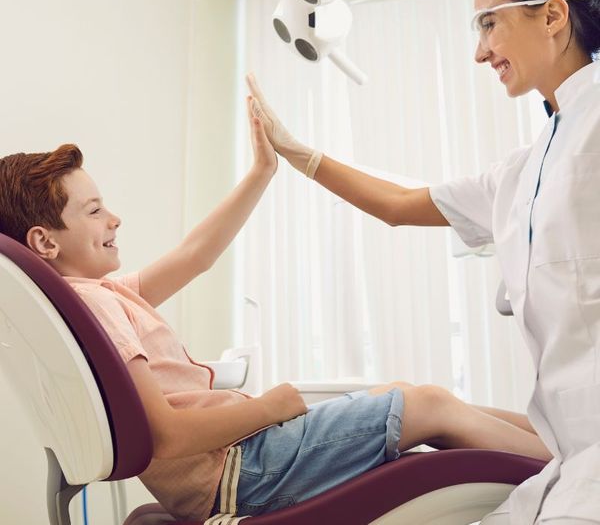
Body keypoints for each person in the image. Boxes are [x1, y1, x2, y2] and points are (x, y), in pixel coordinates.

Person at [0, 100, 550, 521]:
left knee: (417, 395)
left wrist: (263, 169)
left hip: (241, 464)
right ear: (47, 242)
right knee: (425, 403)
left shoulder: (101, 296)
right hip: (243, 470)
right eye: (95, 211)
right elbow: (163, 437)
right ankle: (573, 472)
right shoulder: (97, 305)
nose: (114, 219)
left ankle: (569, 443)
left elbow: (198, 255)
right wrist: (270, 407)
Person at [246, 0, 600, 525]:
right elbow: (399, 203)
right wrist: (296, 152)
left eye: (490, 24)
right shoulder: (526, 167)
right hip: (572, 456)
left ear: (554, 14)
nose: (481, 52)